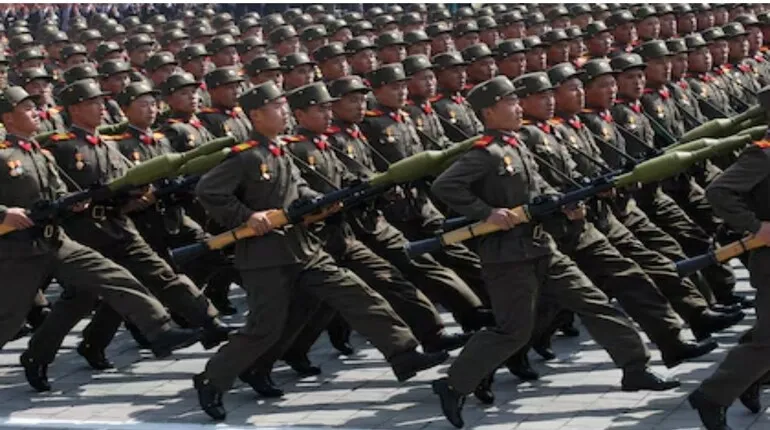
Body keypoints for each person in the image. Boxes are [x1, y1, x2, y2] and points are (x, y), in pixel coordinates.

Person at [430, 76, 678, 429]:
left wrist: (566, 204)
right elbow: (445, 185)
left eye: (518, 102)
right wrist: (486, 212)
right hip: (507, 256)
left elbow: (537, 186)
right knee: (513, 330)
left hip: (540, 245)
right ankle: (454, 384)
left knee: (594, 303)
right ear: (489, 111)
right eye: (511, 103)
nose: (518, 108)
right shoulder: (484, 153)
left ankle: (635, 368)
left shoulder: (516, 144)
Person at [192, 81, 448, 421]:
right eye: (277, 107)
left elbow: (296, 186)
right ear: (256, 114)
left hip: (304, 248)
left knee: (357, 293)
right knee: (264, 327)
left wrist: (315, 199)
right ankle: (212, 378)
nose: (284, 112)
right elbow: (208, 191)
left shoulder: (279, 149)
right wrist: (246, 216)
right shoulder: (247, 155)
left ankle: (403, 354)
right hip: (265, 257)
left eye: (284, 106)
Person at [0, 86, 199, 391]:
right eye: (27, 109)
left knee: (115, 276)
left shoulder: (37, 153)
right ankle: (35, 356)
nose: (37, 113)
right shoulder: (4, 155)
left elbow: (58, 192)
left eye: (35, 107)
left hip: (57, 240)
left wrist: (73, 201)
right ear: (8, 118)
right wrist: (4, 214)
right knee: (9, 318)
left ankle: (160, 330)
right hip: (19, 249)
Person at [689, 87, 770, 430]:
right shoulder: (762, 154)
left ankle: (748, 381)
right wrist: (756, 226)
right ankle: (713, 395)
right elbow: (718, 191)